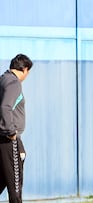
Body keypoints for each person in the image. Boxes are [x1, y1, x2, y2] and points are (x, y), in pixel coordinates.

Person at [0, 54, 33, 203]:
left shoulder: (3, 79)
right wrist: (10, 131)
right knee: (15, 186)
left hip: (4, 139)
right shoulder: (14, 83)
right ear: (25, 69)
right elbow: (5, 106)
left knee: (4, 176)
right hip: (8, 138)